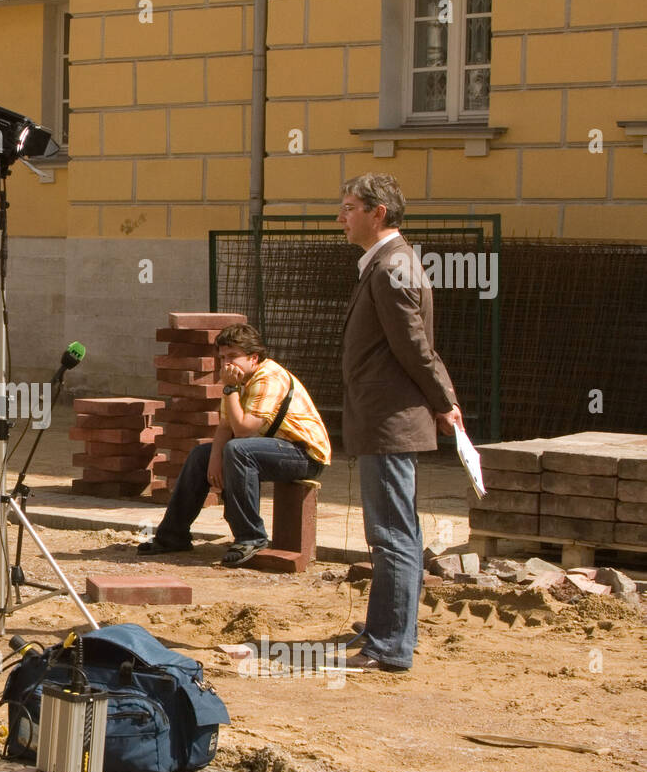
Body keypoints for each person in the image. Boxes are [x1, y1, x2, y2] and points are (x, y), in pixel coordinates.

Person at [338, 172, 462, 673]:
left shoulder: (392, 266)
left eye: (349, 208)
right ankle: (386, 628)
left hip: (390, 421)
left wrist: (443, 400)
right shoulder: (387, 264)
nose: (341, 218)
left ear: (377, 213)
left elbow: (415, 347)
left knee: (393, 533)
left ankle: (391, 645)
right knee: (393, 530)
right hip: (385, 419)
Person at [138, 323, 331, 566]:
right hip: (268, 447)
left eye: (233, 357)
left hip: (304, 455)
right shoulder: (237, 380)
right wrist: (214, 461)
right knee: (201, 455)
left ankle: (251, 537)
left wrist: (229, 388)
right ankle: (172, 536)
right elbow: (225, 427)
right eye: (222, 358)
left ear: (254, 358)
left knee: (238, 450)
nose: (226, 364)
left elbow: (243, 430)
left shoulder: (267, 378)